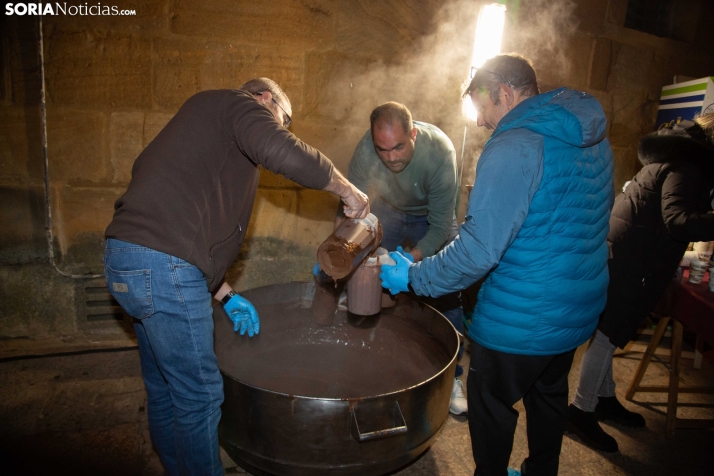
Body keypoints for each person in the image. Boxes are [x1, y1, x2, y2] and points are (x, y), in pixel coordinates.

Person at [104, 78, 369, 476]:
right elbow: (285, 152)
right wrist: (348, 191)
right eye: (283, 120)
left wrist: (226, 294)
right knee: (199, 396)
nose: (281, 130)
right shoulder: (238, 105)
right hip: (163, 267)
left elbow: (184, 227)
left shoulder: (203, 123)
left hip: (125, 260)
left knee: (164, 387)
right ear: (266, 99)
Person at [380, 53, 614, 476]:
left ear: (505, 93)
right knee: (548, 394)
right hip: (577, 308)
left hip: (521, 316)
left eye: (483, 109)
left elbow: (477, 251)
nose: (483, 123)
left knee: (490, 403)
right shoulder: (590, 135)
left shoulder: (514, 145)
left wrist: (414, 276)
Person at [566, 113, 714, 453]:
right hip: (634, 260)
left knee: (609, 332)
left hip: (625, 254)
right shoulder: (688, 166)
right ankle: (580, 410)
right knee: (607, 336)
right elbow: (677, 221)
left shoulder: (678, 155)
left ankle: (603, 398)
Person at [344, 101, 466, 414]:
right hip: (388, 209)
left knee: (449, 288)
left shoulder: (440, 152)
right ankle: (373, 355)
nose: (390, 157)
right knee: (368, 278)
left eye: (398, 147)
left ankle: (451, 376)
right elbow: (350, 207)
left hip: (431, 215)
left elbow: (440, 227)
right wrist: (342, 251)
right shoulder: (365, 149)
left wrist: (409, 262)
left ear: (412, 134)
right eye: (382, 149)